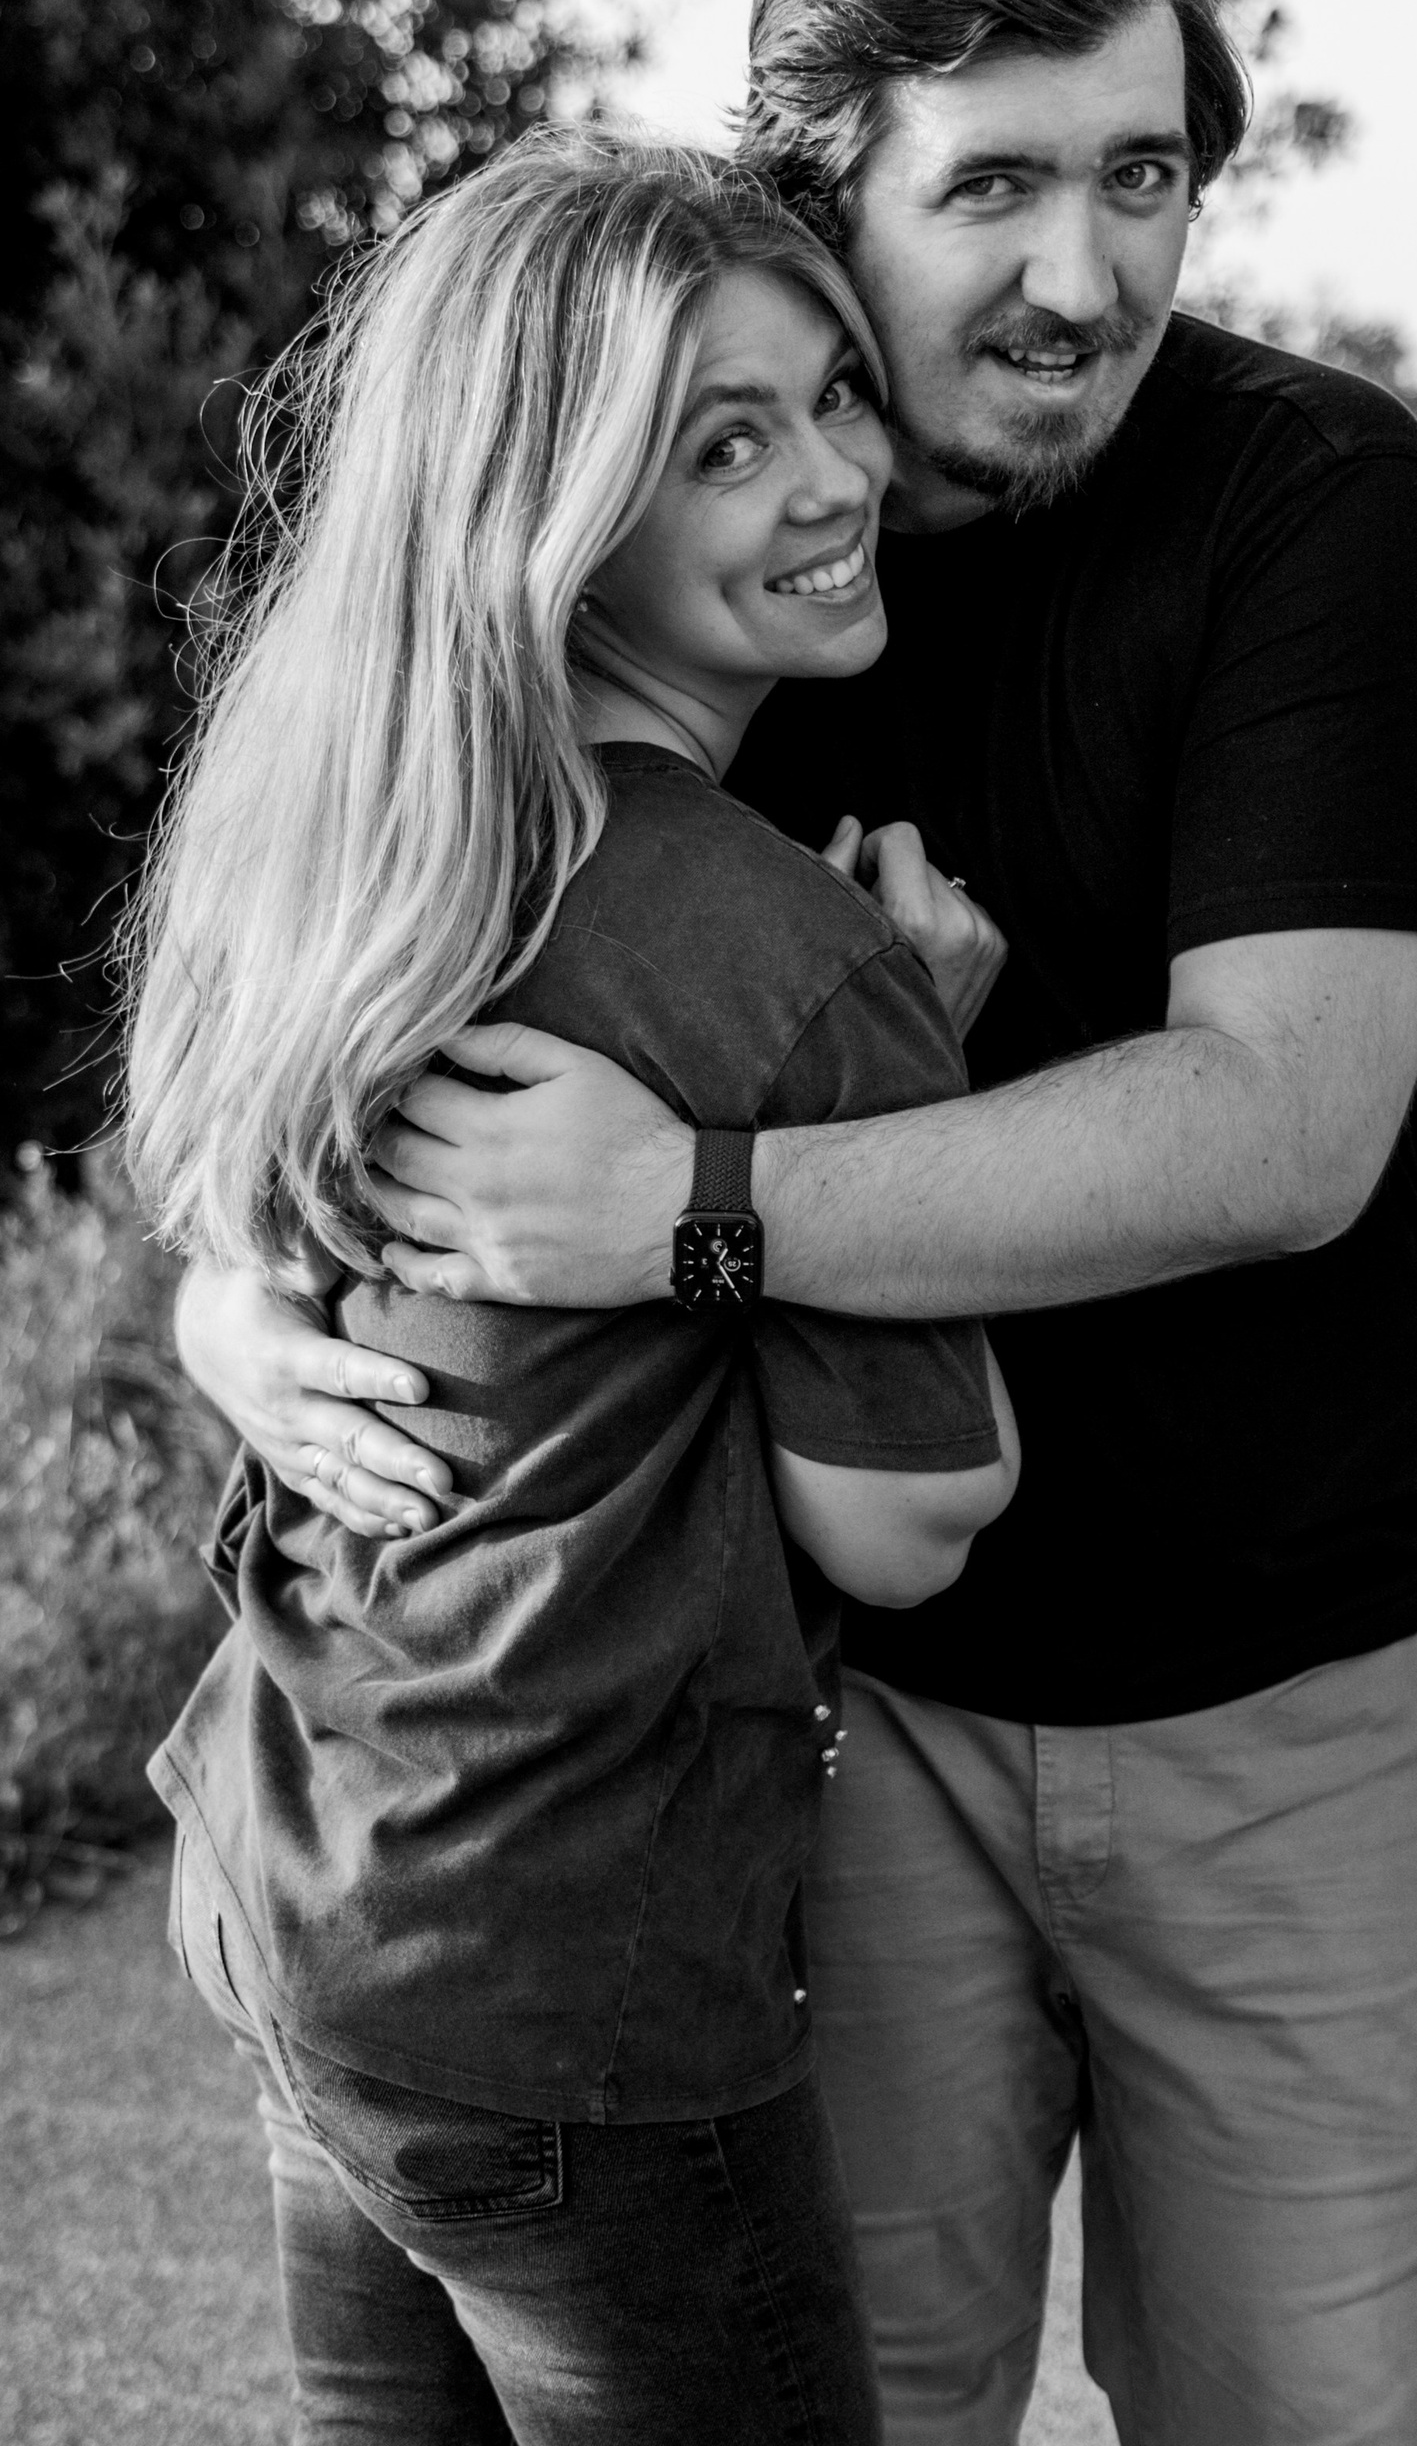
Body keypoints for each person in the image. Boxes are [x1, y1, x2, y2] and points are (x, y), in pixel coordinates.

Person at [179, 0, 1417, 2446]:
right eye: (995, 186)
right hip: (832, 1734)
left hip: (1281, 1694)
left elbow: (1285, 1123)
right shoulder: (677, 535)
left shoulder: (1304, 494)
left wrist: (690, 1212)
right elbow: (322, 935)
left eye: (1142, 175)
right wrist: (239, 1296)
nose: (1088, 270)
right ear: (817, 204)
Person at [122, 132, 1019, 2446]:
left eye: (832, 393)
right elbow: (905, 1519)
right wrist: (890, 1098)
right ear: (564, 510)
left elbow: (217, 1233)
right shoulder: (798, 964)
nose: (838, 474)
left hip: (304, 1895)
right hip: (574, 1994)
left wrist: (232, 1327)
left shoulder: (345, 847)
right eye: (724, 441)